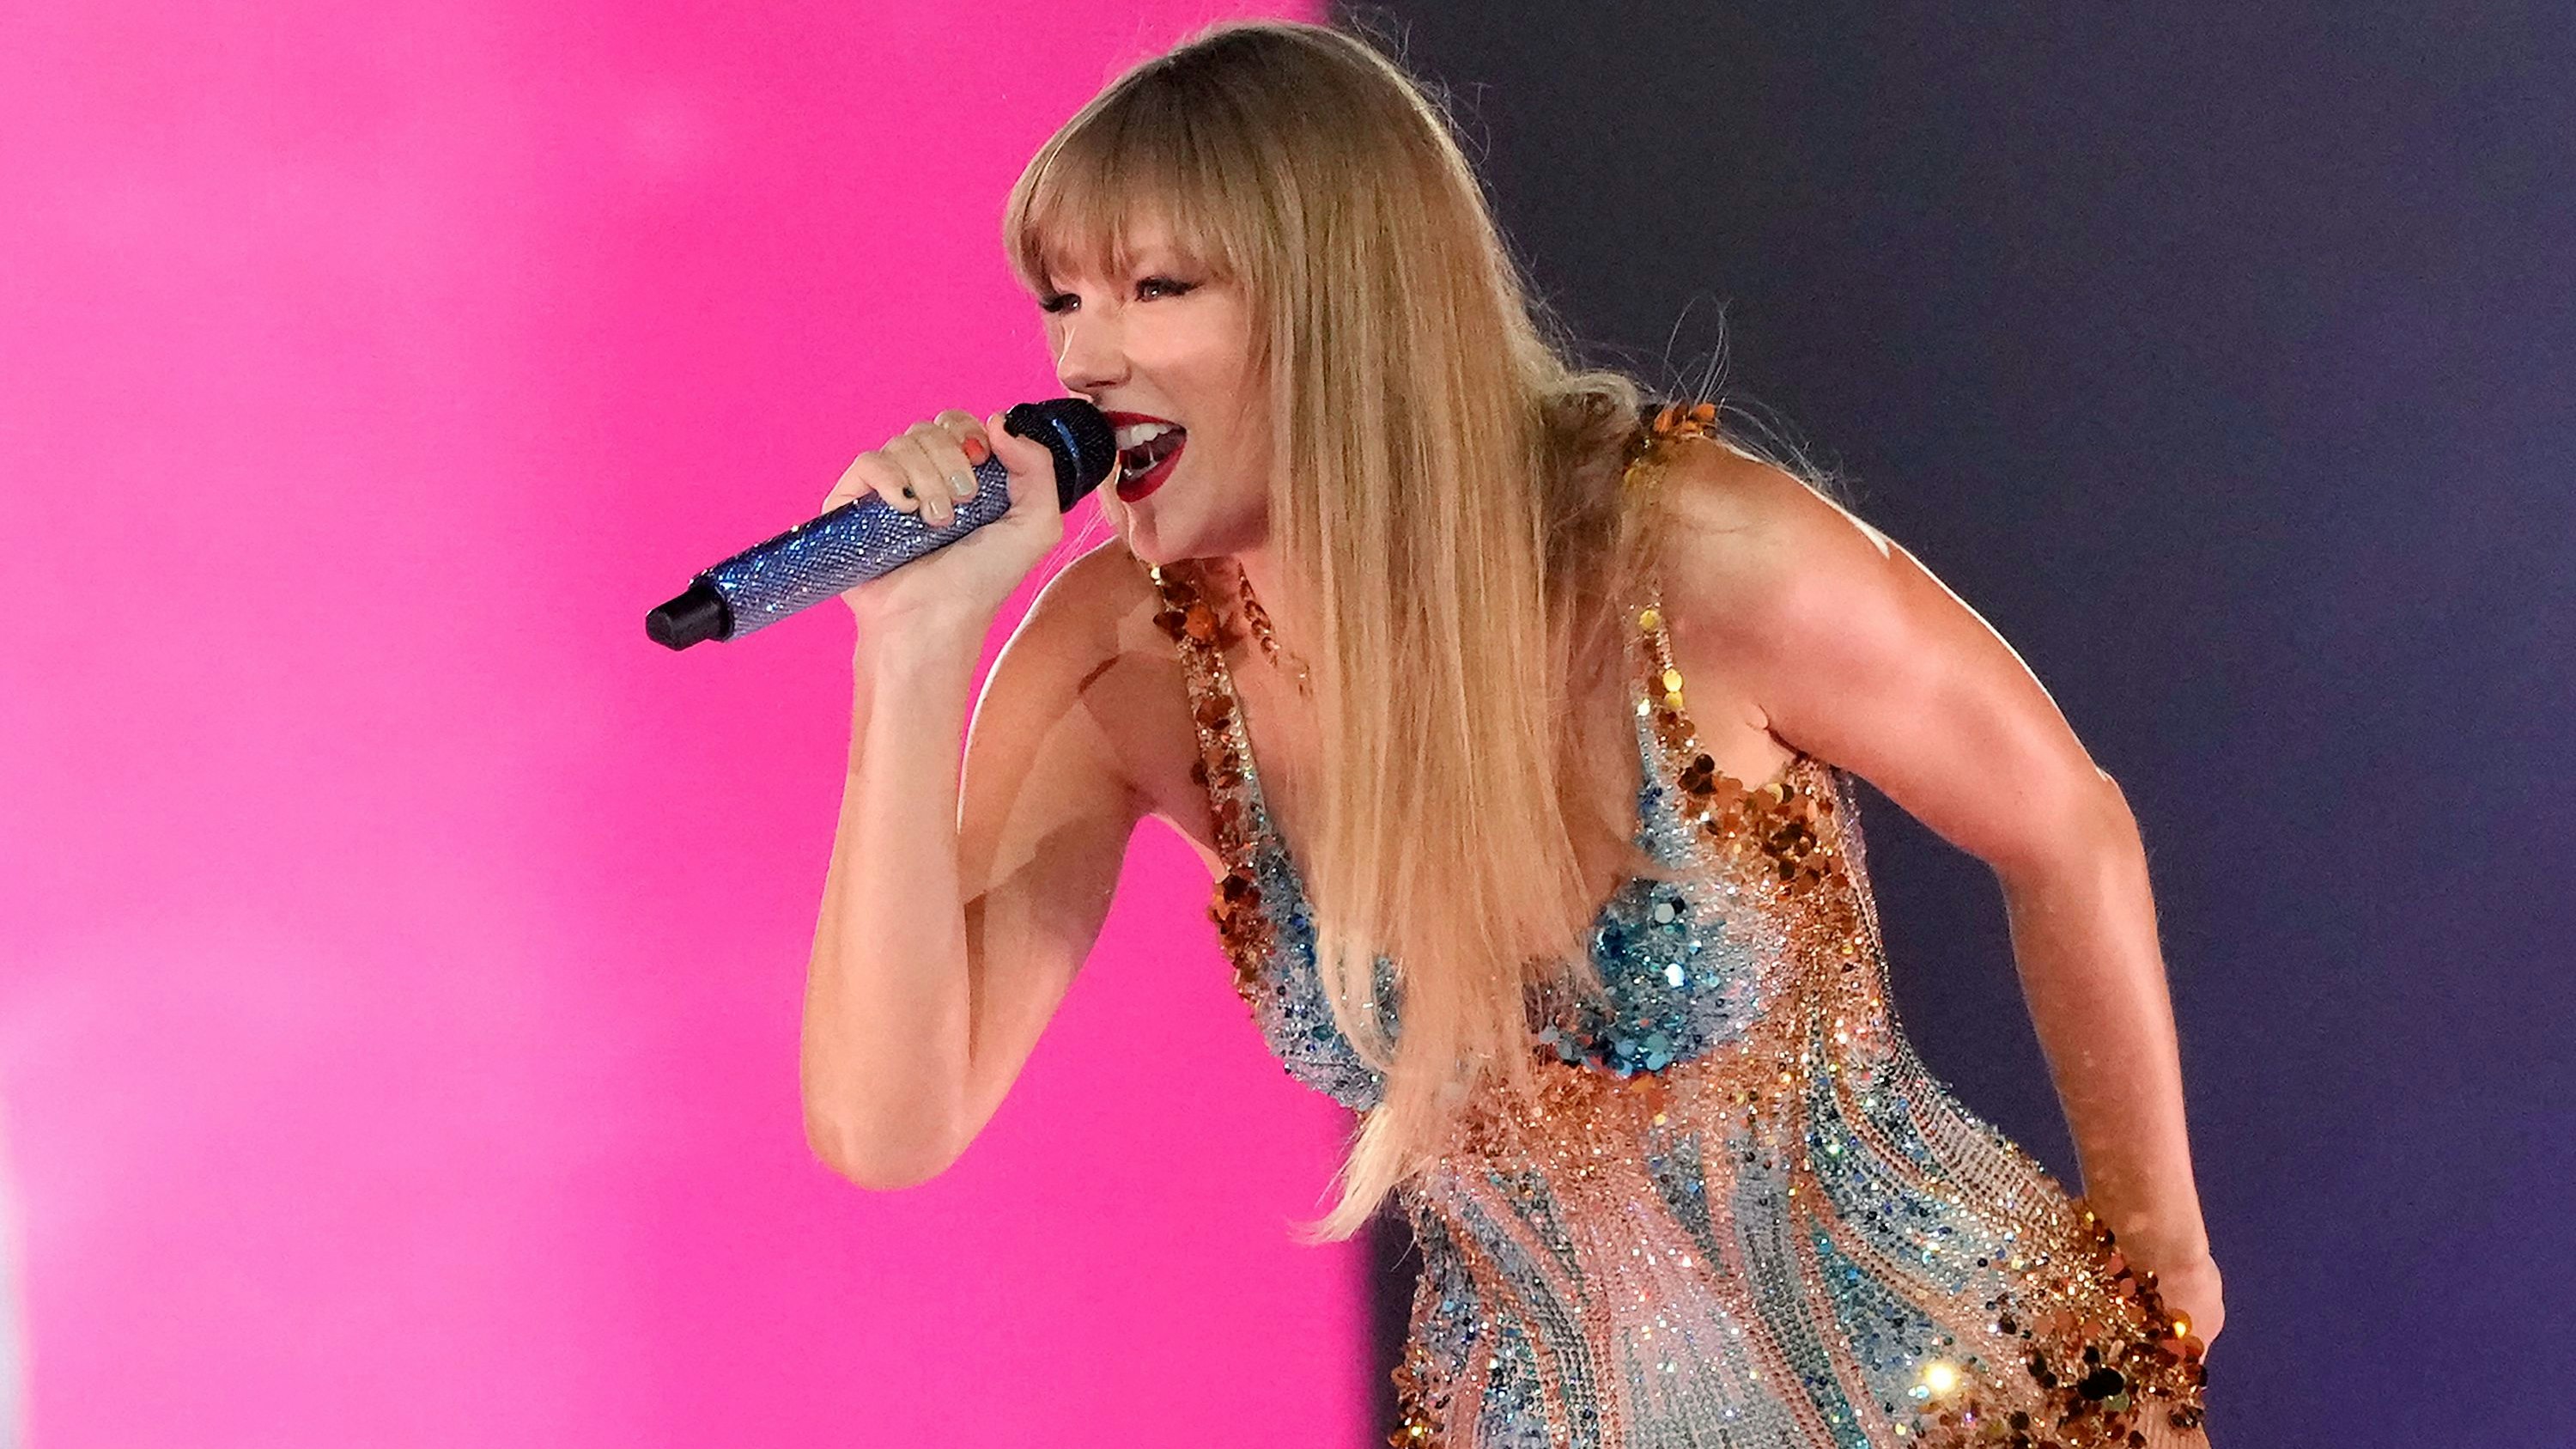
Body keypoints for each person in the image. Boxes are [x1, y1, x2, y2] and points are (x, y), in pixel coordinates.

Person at [799, 18, 2221, 1446]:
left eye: (1157, 288)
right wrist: (912, 654)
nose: (1085, 358)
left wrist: (2162, 1265)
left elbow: (2067, 830)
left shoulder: (1683, 554)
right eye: (1060, 301)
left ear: (1344, 301)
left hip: (1969, 1405)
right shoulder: (1125, 656)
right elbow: (889, 1123)